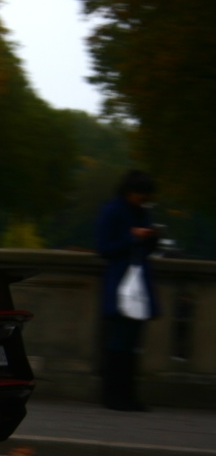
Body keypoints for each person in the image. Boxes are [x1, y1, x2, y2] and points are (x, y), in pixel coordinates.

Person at [95, 169, 159, 411]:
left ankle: (126, 396)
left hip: (136, 283)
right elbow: (104, 248)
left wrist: (149, 238)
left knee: (130, 343)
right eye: (141, 194)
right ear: (131, 192)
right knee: (119, 342)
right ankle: (114, 396)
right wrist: (133, 238)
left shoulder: (141, 212)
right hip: (121, 283)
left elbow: (146, 249)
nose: (144, 200)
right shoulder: (112, 211)